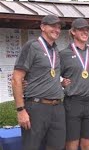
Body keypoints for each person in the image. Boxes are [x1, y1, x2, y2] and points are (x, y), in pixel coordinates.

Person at [11, 15, 66, 150]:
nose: (57, 29)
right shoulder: (32, 46)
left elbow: (47, 76)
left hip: (57, 107)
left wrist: (60, 84)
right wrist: (20, 110)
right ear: (42, 27)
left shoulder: (55, 50)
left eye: (59, 27)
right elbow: (16, 78)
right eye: (53, 26)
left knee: (57, 146)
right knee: (32, 147)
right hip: (36, 107)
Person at [59, 18, 89, 150]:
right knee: (72, 143)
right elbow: (51, 74)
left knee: (87, 144)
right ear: (73, 32)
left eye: (87, 30)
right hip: (73, 102)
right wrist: (61, 82)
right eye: (82, 29)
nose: (85, 32)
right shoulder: (63, 54)